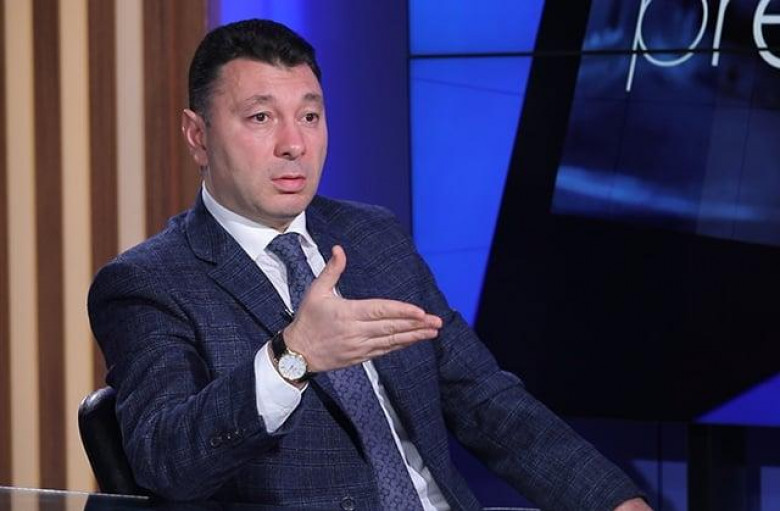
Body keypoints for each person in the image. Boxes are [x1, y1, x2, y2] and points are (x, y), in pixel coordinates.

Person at [88, 18, 652, 511]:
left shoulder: (372, 236)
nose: (294, 144)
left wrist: (611, 500)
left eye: (310, 116)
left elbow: (484, 399)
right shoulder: (148, 283)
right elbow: (166, 461)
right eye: (261, 117)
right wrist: (292, 358)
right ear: (198, 136)